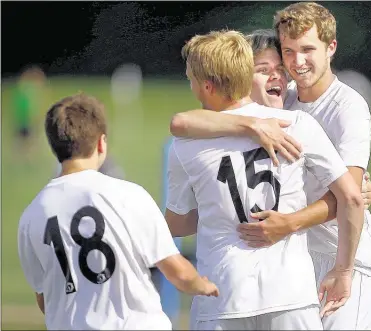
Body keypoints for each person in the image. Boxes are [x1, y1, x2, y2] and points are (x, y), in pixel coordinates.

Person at [170, 3, 371, 329]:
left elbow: (350, 196)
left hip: (347, 254)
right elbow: (181, 121)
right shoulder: (285, 102)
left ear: (331, 48)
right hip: (297, 259)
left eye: (306, 50)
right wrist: (250, 126)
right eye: (288, 53)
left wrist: (290, 223)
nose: (292, 66)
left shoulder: (345, 108)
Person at [17, 93, 219, 330]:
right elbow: (178, 273)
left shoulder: (31, 217)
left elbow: (45, 299)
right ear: (101, 143)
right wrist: (204, 285)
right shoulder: (130, 195)